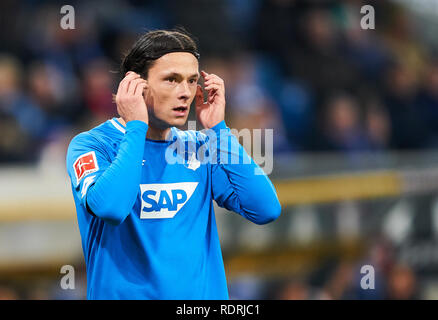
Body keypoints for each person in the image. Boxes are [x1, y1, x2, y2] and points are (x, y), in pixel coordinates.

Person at [66, 29, 281, 300]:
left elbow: (265, 209)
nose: (185, 93)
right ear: (134, 85)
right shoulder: (92, 145)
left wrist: (219, 130)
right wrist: (136, 128)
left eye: (192, 81)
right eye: (171, 80)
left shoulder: (200, 147)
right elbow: (112, 207)